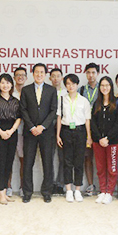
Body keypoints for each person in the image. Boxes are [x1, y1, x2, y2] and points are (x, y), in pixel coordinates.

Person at [20, 63, 58, 203]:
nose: (39, 74)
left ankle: (47, 192)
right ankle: (27, 192)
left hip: (46, 132)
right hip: (30, 132)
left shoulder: (51, 90)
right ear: (33, 74)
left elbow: (53, 110)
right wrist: (31, 127)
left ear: (45, 74)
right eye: (37, 72)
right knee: (27, 163)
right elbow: (23, 110)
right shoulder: (26, 90)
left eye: (42, 72)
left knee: (47, 163)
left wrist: (42, 126)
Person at [0, 73, 22, 205]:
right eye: (2, 82)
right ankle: (1, 193)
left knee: (9, 162)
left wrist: (11, 131)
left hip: (12, 132)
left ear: (11, 85)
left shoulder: (16, 101)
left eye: (7, 82)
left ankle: (5, 192)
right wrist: (1, 132)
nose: (5, 85)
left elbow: (19, 118)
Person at [57, 74, 92, 203]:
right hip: (66, 131)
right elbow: (59, 118)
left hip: (80, 131)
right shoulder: (62, 100)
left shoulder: (84, 100)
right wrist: (58, 135)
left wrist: (89, 136)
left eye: (73, 84)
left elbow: (87, 120)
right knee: (67, 162)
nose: (71, 86)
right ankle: (68, 190)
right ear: (65, 86)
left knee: (79, 161)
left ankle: (77, 190)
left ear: (77, 85)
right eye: (68, 84)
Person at [90, 76, 118, 205]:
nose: (105, 88)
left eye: (107, 85)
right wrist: (99, 138)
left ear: (111, 87)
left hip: (112, 142)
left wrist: (108, 138)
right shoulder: (96, 103)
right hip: (98, 142)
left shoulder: (117, 102)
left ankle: (109, 192)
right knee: (100, 168)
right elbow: (93, 122)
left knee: (112, 168)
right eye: (102, 85)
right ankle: (102, 191)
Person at [80, 62, 100, 196]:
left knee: (101, 157)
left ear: (97, 73)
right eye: (88, 73)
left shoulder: (103, 87)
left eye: (93, 72)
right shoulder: (81, 90)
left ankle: (104, 186)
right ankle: (91, 184)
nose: (91, 75)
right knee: (87, 157)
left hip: (99, 126)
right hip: (85, 127)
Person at [9, 66, 28, 197]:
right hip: (10, 131)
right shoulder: (9, 92)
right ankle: (8, 186)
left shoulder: (29, 92)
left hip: (25, 131)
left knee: (23, 160)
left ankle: (22, 187)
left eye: (23, 75)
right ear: (14, 78)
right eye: (18, 75)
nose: (20, 77)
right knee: (8, 160)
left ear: (26, 78)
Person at [49, 67, 66, 195]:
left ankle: (60, 184)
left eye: (58, 76)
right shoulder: (46, 91)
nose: (55, 79)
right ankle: (50, 183)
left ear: (62, 78)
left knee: (63, 157)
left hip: (63, 127)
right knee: (49, 157)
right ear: (50, 78)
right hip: (49, 127)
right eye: (53, 76)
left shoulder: (66, 92)